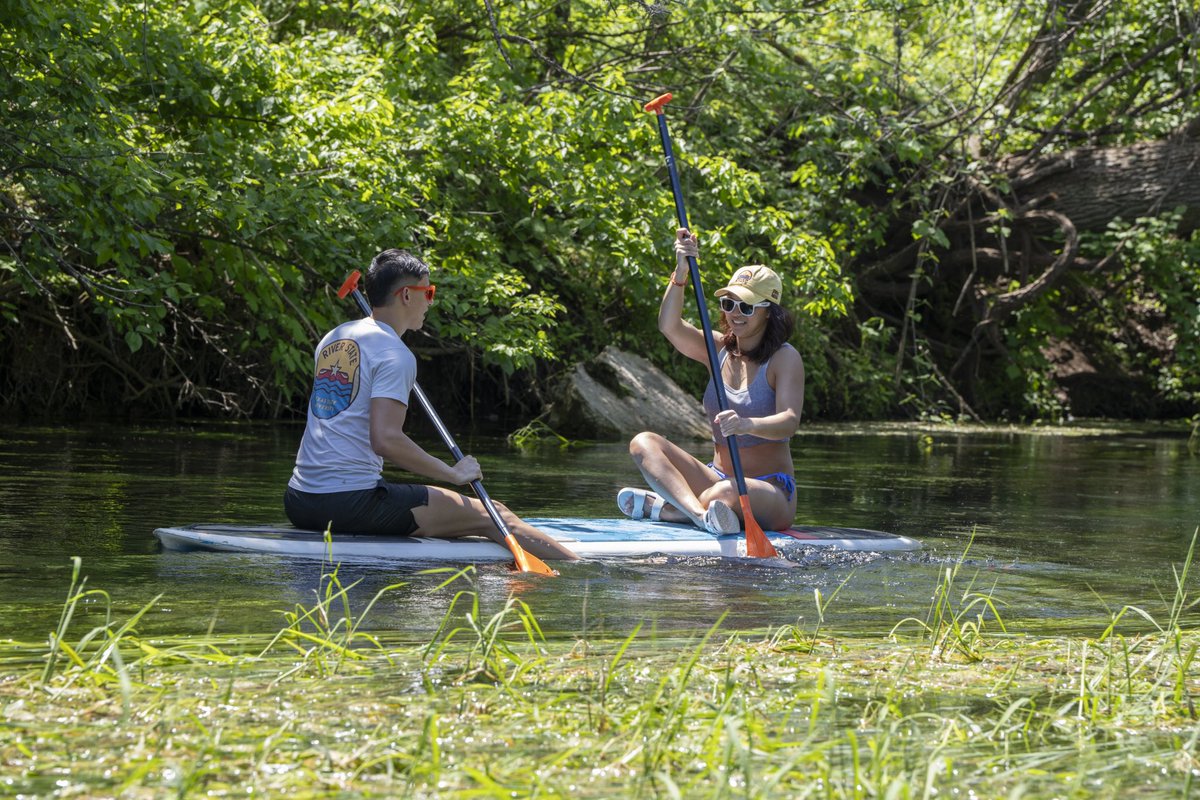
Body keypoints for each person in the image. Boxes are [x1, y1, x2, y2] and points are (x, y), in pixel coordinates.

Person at [285, 248, 577, 561]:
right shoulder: (394, 354)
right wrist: (452, 474)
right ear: (407, 295)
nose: (430, 302)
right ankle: (586, 570)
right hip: (348, 504)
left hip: (300, 501)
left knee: (466, 515)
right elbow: (385, 440)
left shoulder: (335, 336)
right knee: (494, 515)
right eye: (430, 292)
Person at [619, 229, 804, 534]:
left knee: (725, 494)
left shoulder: (785, 358)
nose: (734, 314)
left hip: (771, 491)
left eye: (746, 307)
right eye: (728, 304)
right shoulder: (717, 348)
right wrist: (680, 272)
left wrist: (747, 424)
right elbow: (669, 325)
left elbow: (789, 422)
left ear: (768, 314)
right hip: (716, 477)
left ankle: (669, 509)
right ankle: (696, 514)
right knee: (643, 443)